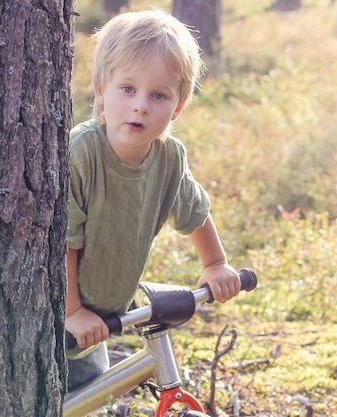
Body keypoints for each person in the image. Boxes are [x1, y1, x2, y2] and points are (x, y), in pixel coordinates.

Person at [65, 9, 241, 394]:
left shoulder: (168, 157)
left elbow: (195, 212)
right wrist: (72, 311)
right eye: (127, 89)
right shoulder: (84, 153)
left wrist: (216, 264)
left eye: (158, 95)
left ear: (177, 107)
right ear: (100, 90)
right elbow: (65, 241)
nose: (141, 105)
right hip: (58, 313)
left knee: (88, 397)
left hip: (102, 316)